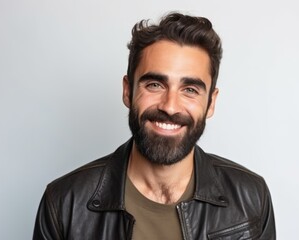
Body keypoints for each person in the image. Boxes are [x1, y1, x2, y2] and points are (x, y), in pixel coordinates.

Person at [33, 12, 276, 240]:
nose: (170, 107)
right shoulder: (64, 204)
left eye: (190, 90)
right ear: (128, 91)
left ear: (211, 103)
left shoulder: (252, 198)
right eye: (155, 85)